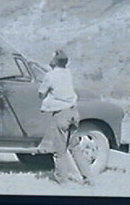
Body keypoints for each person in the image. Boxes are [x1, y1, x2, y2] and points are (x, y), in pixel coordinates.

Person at [37, 50, 93, 185]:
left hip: (61, 114)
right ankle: (88, 178)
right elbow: (58, 73)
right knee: (75, 148)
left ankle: (63, 181)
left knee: (59, 151)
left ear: (54, 62)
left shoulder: (50, 76)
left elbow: (41, 93)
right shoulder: (68, 73)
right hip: (74, 113)